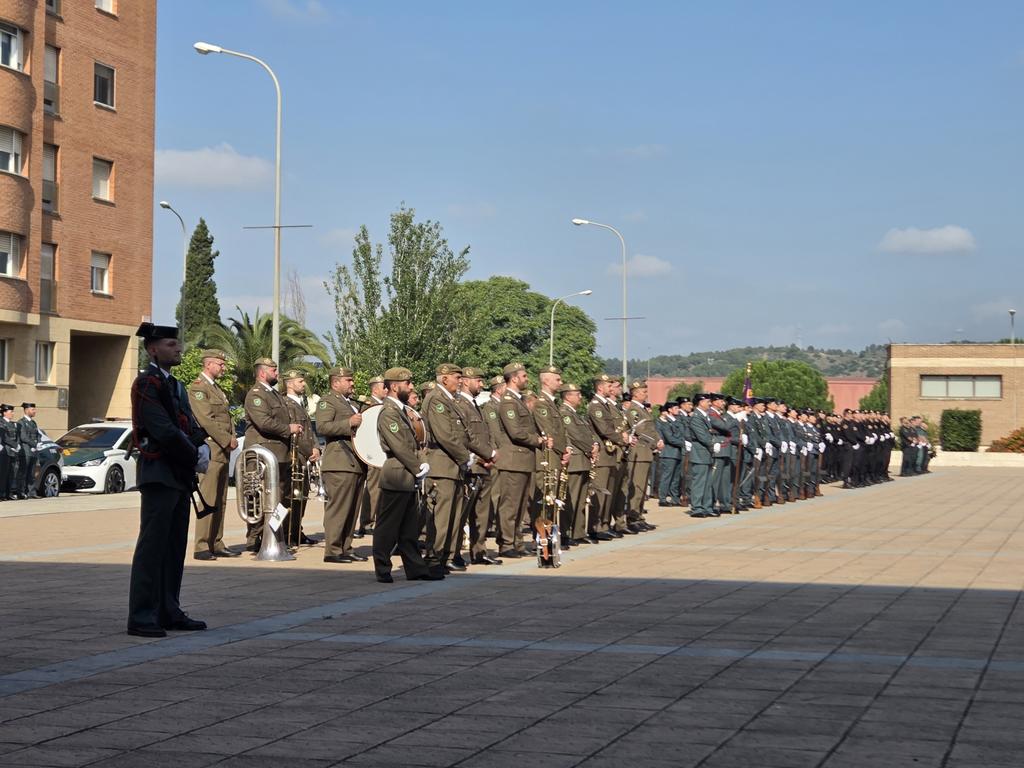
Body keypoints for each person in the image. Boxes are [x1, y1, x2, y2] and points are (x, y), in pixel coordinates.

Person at [126, 322, 209, 638]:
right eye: (170, 344)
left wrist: (201, 444)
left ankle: (168, 610)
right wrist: (192, 454)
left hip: (178, 474)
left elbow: (189, 425)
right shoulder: (146, 383)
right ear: (153, 349)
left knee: (173, 548)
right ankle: (141, 615)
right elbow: (163, 430)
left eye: (177, 344)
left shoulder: (175, 385)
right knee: (152, 547)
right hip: (159, 473)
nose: (178, 348)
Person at [372, 367, 442, 583]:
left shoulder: (400, 410)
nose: (411, 387)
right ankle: (383, 568)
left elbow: (412, 444)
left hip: (407, 475)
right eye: (407, 383)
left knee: (409, 529)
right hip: (397, 475)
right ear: (394, 386)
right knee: (387, 526)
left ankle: (416, 568)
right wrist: (418, 466)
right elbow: (399, 446)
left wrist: (421, 463)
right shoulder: (389, 412)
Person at [243, 358, 303, 551]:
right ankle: (255, 538)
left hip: (281, 455)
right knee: (260, 497)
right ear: (262, 373)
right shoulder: (256, 394)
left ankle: (274, 535)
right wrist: (288, 428)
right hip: (264, 454)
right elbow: (263, 422)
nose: (277, 373)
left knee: (280, 499)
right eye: (273, 370)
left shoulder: (274, 394)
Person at [187, 350, 240, 560]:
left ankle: (216, 542)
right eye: (220, 364)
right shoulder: (198, 387)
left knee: (220, 499)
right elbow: (206, 419)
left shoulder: (216, 388)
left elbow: (227, 418)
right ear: (208, 364)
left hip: (222, 450)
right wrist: (227, 439)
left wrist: (232, 437)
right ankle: (201, 546)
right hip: (211, 448)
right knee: (208, 498)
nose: (223, 368)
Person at [421, 364, 473, 573]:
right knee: (441, 518)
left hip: (452, 465)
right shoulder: (436, 399)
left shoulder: (449, 400)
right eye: (457, 377)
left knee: (453, 516)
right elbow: (445, 435)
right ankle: (434, 558)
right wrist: (465, 457)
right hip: (441, 465)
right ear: (444, 379)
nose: (460, 381)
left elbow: (461, 433)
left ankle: (446, 557)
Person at [316, 366, 367, 563]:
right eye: (348, 380)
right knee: (338, 508)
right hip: (339, 463)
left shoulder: (350, 403)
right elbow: (322, 427)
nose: (352, 383)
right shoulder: (328, 401)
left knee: (352, 509)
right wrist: (348, 423)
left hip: (355, 462)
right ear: (336, 382)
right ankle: (333, 550)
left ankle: (346, 547)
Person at [494, 362, 546, 558]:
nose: (527, 379)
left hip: (522, 461)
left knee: (520, 505)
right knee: (510, 505)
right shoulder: (508, 401)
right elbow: (515, 432)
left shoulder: (517, 400)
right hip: (513, 461)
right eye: (523, 376)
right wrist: (537, 440)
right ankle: (507, 544)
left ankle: (516, 542)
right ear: (514, 378)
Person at [451, 366, 500, 566]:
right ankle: (453, 553)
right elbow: (466, 438)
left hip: (484, 466)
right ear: (465, 381)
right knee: (462, 514)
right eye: (478, 380)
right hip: (472, 465)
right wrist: (486, 455)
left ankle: (479, 551)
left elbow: (484, 434)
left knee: (481, 513)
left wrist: (490, 455)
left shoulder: (475, 405)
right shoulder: (459, 405)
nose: (481, 384)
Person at [587, 374, 629, 540]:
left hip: (609, 453)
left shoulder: (604, 405)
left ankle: (604, 525)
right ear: (600, 387)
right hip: (603, 454)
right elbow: (604, 429)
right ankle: (595, 526)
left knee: (607, 493)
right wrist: (622, 439)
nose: (611, 389)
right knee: (599, 492)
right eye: (608, 386)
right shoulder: (596, 406)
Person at [559, 382, 600, 544]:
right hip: (575, 460)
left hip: (583, 459)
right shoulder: (565, 413)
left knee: (582, 499)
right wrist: (590, 448)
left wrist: (595, 444)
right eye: (577, 394)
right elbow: (575, 435)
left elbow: (587, 432)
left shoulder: (576, 414)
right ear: (568, 396)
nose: (580, 397)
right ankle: (565, 533)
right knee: (571, 499)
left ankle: (578, 532)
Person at [283, 370, 320, 546]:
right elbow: (295, 433)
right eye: (300, 381)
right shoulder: (286, 403)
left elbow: (309, 431)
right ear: (289, 384)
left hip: (304, 456)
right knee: (291, 496)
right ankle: (287, 532)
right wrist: (309, 450)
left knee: (302, 496)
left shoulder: (300, 403)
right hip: (295, 455)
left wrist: (316, 447)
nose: (304, 384)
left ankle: (297, 531)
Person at [623, 380, 662, 530]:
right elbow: (640, 430)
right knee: (637, 487)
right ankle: (632, 518)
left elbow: (651, 428)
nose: (646, 394)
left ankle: (638, 516)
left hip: (645, 452)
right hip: (638, 452)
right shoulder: (633, 410)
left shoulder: (642, 409)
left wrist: (658, 440)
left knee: (642, 487)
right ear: (635, 393)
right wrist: (655, 442)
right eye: (643, 392)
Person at [357, 375, 387, 537]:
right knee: (374, 489)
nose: (386, 390)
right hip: (373, 453)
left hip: (382, 452)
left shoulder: (384, 405)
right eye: (383, 387)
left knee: (381, 489)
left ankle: (376, 520)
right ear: (375, 389)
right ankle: (367, 522)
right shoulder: (368, 405)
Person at [17, 403, 41, 498]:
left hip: (34, 451)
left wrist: (38, 443)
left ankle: (31, 492)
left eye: (34, 409)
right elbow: (23, 437)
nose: (34, 411)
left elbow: (38, 435)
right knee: (23, 473)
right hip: (26, 451)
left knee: (31, 473)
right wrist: (34, 444)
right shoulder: (21, 422)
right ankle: (21, 492)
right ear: (26, 410)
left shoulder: (33, 423)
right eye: (32, 409)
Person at [0, 404, 19, 500]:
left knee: (11, 474)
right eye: (11, 412)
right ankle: (2, 494)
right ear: (4, 413)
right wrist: (14, 445)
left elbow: (16, 436)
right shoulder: (1, 423)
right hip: (5, 451)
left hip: (13, 452)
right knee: (3, 474)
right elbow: (5, 438)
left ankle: (8, 493)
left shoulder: (12, 424)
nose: (12, 413)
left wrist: (17, 445)